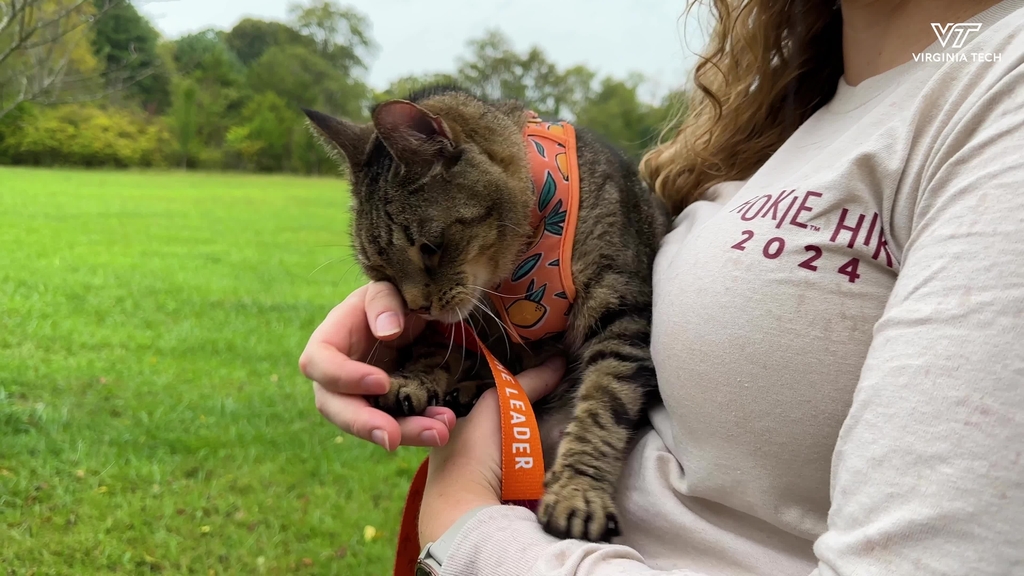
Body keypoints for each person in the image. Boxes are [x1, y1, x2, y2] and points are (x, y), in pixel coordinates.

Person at [298, 0, 1024, 573]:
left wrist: (465, 524)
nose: (418, 291)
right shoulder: (784, 114)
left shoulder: (996, 87)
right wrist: (434, 328)